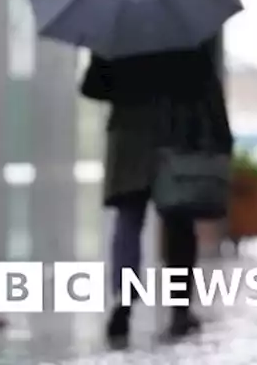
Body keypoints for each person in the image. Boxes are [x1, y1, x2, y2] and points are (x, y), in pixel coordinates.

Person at [81, 46, 233, 346]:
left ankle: (123, 305)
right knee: (179, 224)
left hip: (129, 141)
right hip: (175, 139)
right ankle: (179, 309)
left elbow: (92, 86)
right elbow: (207, 87)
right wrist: (221, 138)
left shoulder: (119, 35)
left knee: (128, 224)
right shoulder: (186, 35)